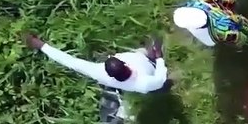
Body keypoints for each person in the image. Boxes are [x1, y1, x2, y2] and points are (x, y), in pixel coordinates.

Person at [24, 32, 168, 94]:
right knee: (149, 52)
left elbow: (70, 62)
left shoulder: (100, 73)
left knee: (143, 50)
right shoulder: (144, 83)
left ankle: (150, 49)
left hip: (140, 60)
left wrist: (42, 46)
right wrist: (159, 58)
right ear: (125, 64)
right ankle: (154, 51)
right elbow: (160, 79)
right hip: (151, 67)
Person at [173, 0, 248, 58]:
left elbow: (238, 37)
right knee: (242, 35)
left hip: (221, 33)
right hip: (227, 26)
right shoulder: (198, 3)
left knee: (242, 37)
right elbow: (218, 0)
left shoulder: (220, 31)